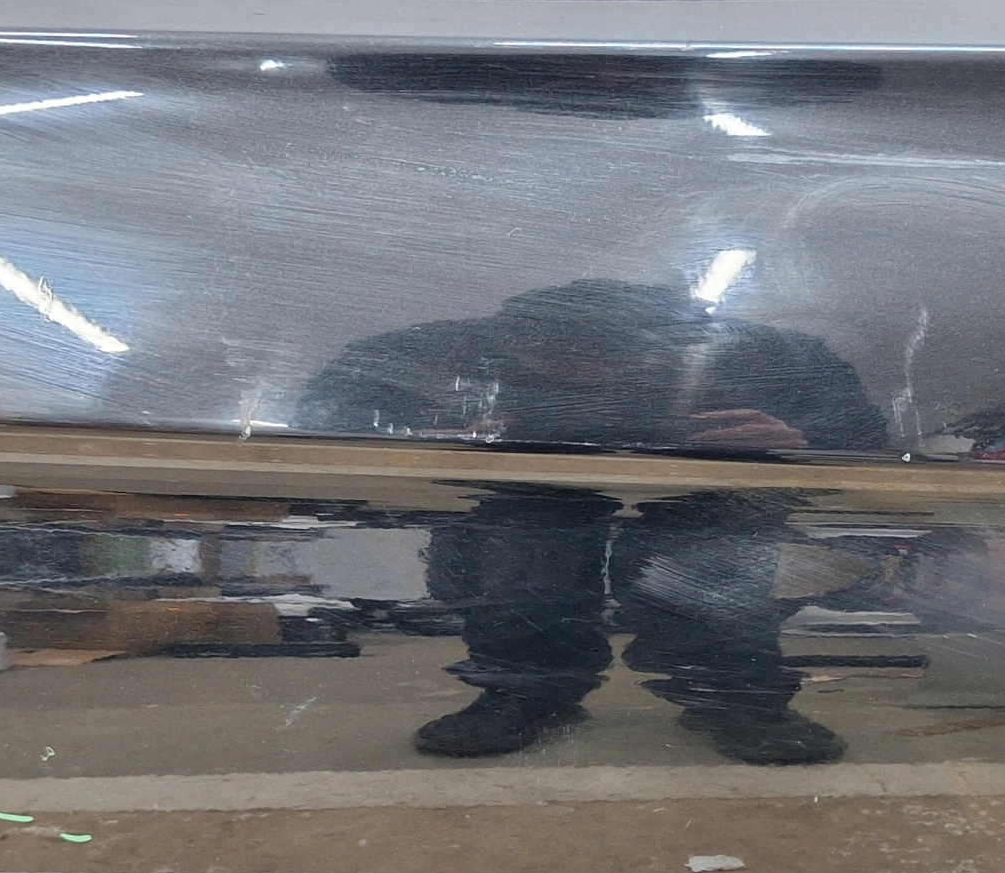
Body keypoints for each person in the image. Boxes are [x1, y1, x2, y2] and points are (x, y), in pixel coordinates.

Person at [296, 280, 886, 765]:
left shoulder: (772, 358)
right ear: (508, 343)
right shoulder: (428, 355)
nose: (597, 382)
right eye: (561, 370)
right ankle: (524, 692)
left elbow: (865, 437)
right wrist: (423, 439)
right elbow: (325, 420)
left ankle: (734, 694)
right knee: (519, 554)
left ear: (680, 346)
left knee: (712, 553)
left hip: (709, 490)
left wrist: (800, 441)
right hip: (521, 488)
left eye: (619, 369)